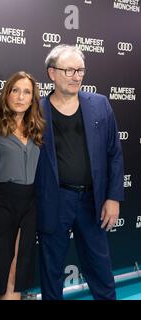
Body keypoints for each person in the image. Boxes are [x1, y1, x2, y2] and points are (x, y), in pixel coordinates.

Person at [35, 44, 124, 300]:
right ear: (52, 73)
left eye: (80, 70)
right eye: (70, 70)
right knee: (51, 271)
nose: (77, 76)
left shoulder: (100, 104)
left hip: (92, 201)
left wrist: (113, 197)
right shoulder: (35, 111)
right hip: (54, 200)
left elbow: (114, 154)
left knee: (100, 268)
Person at [0, 71, 45, 300]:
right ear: (7, 94)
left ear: (33, 98)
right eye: (16, 90)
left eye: (27, 92)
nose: (21, 97)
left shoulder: (38, 127)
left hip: (29, 204)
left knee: (17, 268)